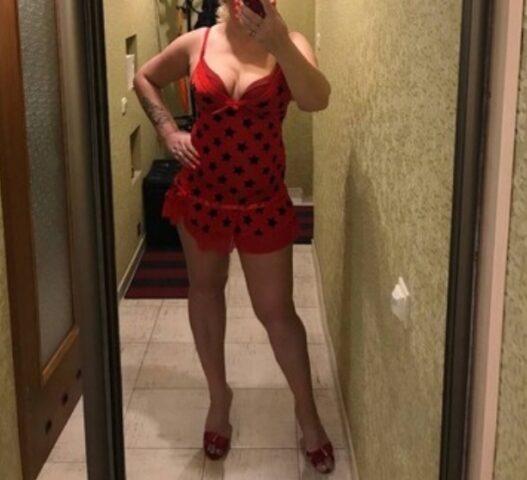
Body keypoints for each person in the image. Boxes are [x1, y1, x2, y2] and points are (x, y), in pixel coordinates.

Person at [133, 0, 334, 473]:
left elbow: (316, 100)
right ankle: (218, 397)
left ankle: (306, 412)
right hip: (201, 197)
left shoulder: (291, 43)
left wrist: (280, 43)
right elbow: (144, 77)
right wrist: (167, 130)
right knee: (205, 291)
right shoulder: (197, 42)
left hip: (263, 202)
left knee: (277, 312)